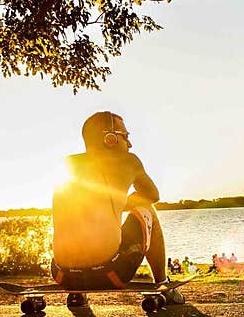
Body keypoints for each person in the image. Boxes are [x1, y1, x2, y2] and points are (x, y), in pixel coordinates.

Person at [51, 111, 184, 303]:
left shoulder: (67, 165)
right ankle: (163, 285)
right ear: (110, 139)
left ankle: (78, 293)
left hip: (63, 276)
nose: (129, 144)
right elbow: (152, 195)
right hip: (111, 274)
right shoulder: (129, 161)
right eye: (126, 136)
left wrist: (112, 203)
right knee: (147, 208)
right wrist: (123, 201)